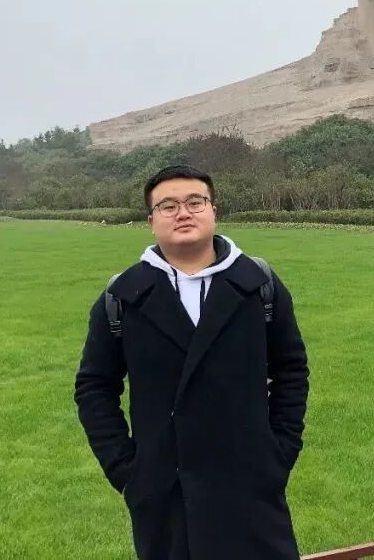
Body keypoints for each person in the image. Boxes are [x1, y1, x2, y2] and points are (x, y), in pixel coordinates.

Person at [74, 164, 309, 559]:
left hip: (251, 489)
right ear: (151, 221)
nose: (183, 213)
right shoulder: (123, 296)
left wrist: (279, 453)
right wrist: (127, 471)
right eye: (168, 206)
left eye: (195, 202)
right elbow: (94, 387)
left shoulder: (259, 285)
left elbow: (291, 371)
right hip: (166, 496)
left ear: (213, 210)